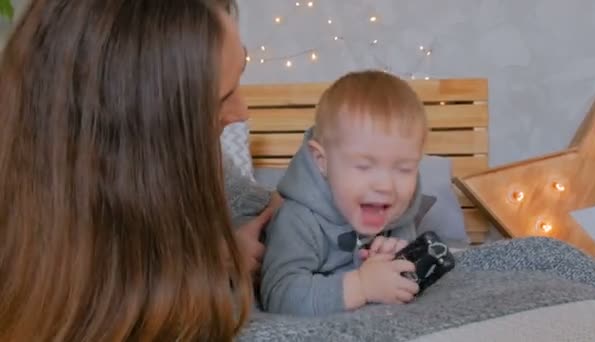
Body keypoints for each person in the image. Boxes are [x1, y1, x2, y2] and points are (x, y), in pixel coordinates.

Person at [0, 0, 275, 340]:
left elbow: (256, 202)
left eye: (242, 69)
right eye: (220, 98)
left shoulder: (200, 161)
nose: (242, 111)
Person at [260, 70, 428, 316]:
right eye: (364, 166)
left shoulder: (400, 212)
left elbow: (406, 280)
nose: (385, 186)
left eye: (404, 169)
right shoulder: (298, 218)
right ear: (322, 161)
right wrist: (361, 285)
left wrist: (399, 259)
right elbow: (279, 294)